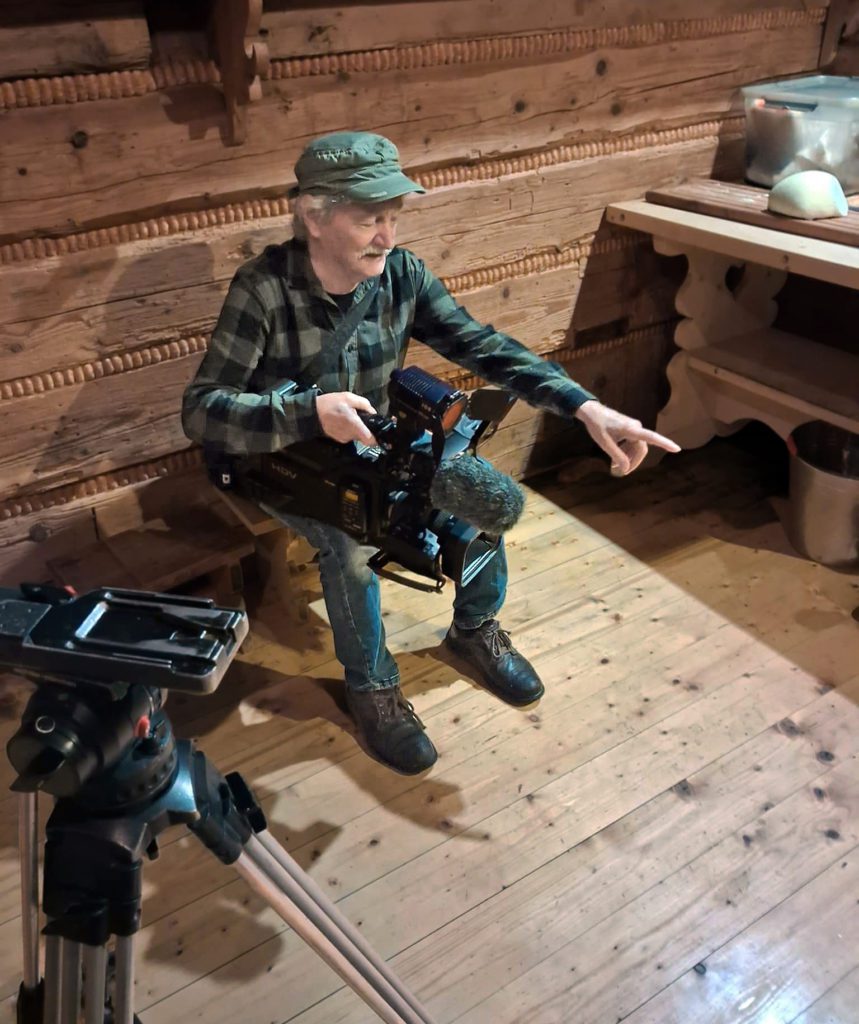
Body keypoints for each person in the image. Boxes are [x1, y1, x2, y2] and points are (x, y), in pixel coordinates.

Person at [182, 131, 680, 775]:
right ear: (313, 216)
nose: (387, 237)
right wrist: (307, 411)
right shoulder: (264, 290)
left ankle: (474, 631)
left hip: (371, 443)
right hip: (282, 455)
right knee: (353, 544)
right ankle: (373, 689)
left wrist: (585, 406)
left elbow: (484, 347)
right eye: (369, 219)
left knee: (482, 499)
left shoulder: (401, 275)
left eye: (393, 217)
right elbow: (202, 411)